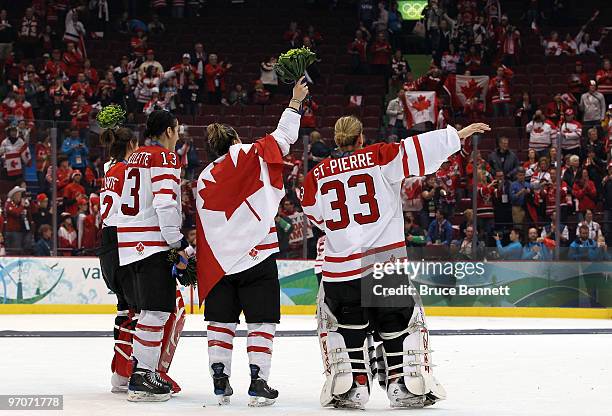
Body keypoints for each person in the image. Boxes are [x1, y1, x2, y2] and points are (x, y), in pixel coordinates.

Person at [300, 112, 489, 409]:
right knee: (399, 324)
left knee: (347, 326)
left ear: (336, 139)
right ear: (361, 137)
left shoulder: (315, 176)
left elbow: (316, 217)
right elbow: (417, 151)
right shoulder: (379, 156)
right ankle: (404, 385)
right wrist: (457, 135)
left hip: (340, 272)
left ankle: (354, 388)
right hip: (383, 267)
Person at [194, 78, 308, 407]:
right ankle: (258, 381)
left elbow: (204, 227)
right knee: (261, 322)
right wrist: (294, 101)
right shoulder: (248, 155)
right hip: (257, 258)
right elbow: (283, 138)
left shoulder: (203, 178)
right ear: (233, 141)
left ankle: (220, 378)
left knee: (220, 322)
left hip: (220, 265)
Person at [114, 110, 189, 402]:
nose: (178, 135)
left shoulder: (133, 158)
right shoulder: (165, 158)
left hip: (129, 245)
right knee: (157, 312)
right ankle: (143, 376)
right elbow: (165, 203)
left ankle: (141, 373)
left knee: (147, 313)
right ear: (169, 131)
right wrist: (177, 243)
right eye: (177, 129)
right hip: (152, 244)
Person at [97, 122, 140, 394]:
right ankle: (128, 373)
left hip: (106, 243)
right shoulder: (128, 170)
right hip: (124, 240)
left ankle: (118, 372)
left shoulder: (109, 169)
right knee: (137, 309)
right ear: (132, 146)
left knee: (123, 308)